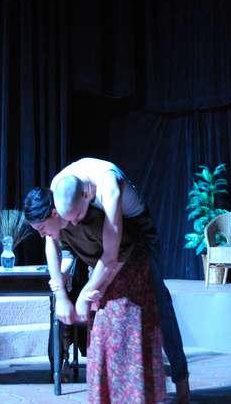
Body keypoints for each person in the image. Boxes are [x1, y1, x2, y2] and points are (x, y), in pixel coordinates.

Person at [25, 157, 190, 403]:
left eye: (76, 216)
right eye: (68, 219)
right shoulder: (60, 190)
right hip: (105, 242)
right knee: (103, 314)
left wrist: (84, 293)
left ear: (86, 197)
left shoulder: (108, 189)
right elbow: (52, 241)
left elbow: (112, 254)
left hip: (137, 234)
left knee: (159, 304)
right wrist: (60, 293)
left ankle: (181, 381)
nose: (72, 223)